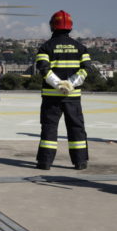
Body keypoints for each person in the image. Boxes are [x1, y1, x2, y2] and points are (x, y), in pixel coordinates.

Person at [35, 10, 92, 170]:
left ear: (52, 26)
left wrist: (59, 84)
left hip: (51, 97)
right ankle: (80, 162)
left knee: (49, 128)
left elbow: (43, 69)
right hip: (73, 97)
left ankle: (45, 162)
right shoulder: (81, 48)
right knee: (76, 129)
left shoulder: (46, 47)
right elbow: (86, 69)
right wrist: (71, 84)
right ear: (70, 27)